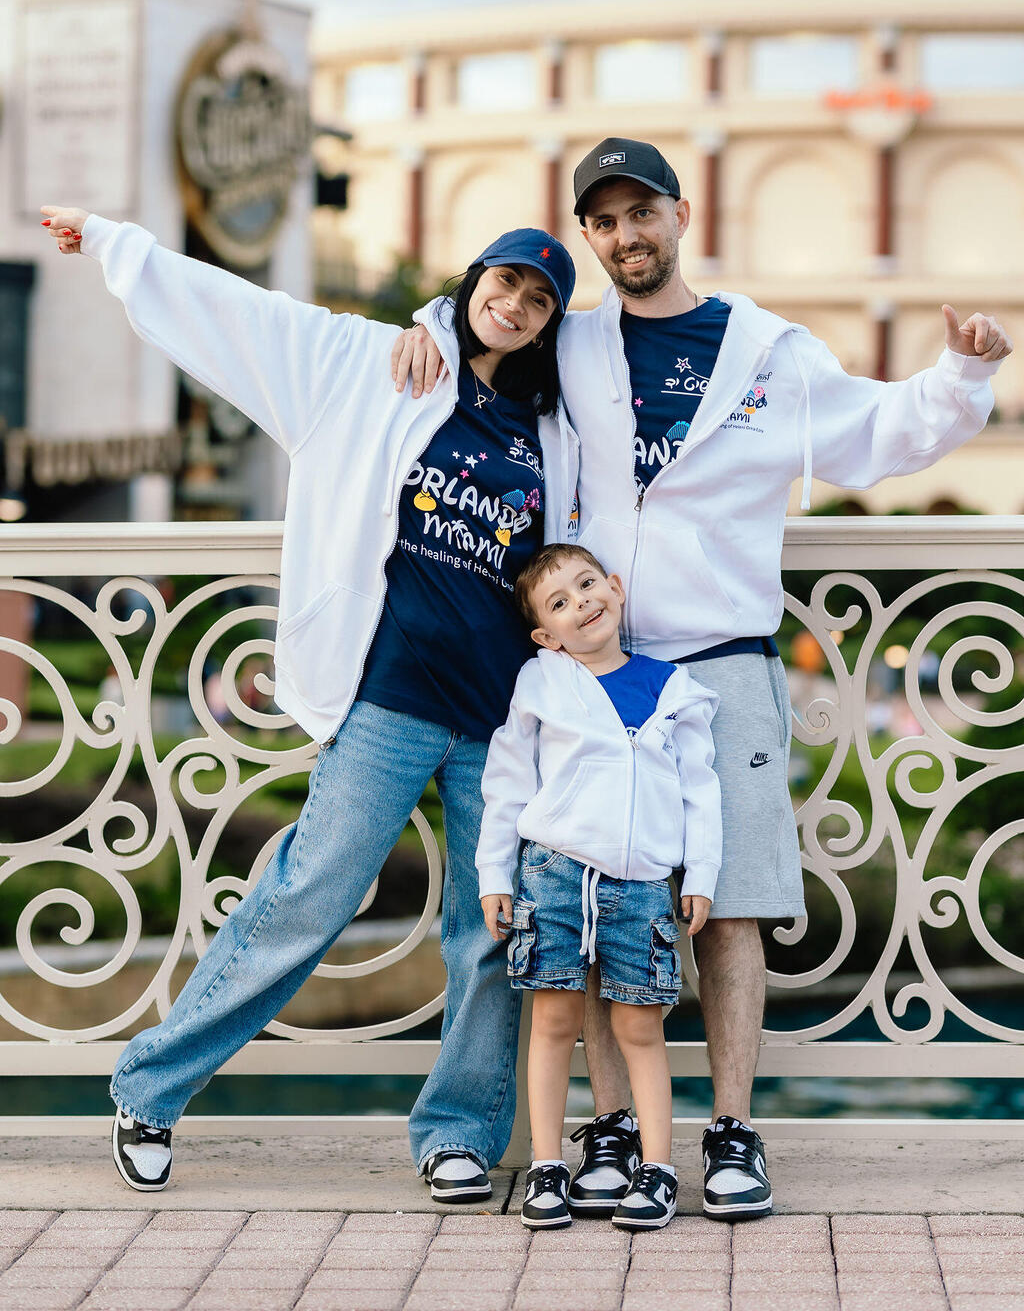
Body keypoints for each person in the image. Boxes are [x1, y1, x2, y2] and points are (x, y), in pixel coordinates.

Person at [389, 135, 1013, 1219]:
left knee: (733, 912)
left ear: (681, 216)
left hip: (722, 664)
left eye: (642, 213)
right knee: (584, 897)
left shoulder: (770, 352)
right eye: (604, 220)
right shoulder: (568, 345)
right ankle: (613, 1128)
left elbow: (879, 432)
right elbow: (477, 342)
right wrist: (418, 322)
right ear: (588, 236)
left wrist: (963, 373)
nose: (625, 234)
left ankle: (731, 1132)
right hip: (593, 664)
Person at [40, 204, 579, 1202]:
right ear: (472, 286)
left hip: (504, 714)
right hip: (392, 691)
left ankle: (459, 1132)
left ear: (552, 324)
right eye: (503, 284)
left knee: (489, 926)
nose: (514, 306)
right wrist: (120, 245)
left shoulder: (554, 427)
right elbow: (247, 315)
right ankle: (150, 1088)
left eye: (539, 300)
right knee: (308, 892)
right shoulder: (375, 364)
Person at [476, 543, 721, 1231]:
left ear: (615, 588)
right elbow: (507, 781)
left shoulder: (671, 687)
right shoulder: (543, 683)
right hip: (554, 877)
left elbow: (702, 791)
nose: (581, 601)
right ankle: (549, 1168)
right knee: (553, 1020)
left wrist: (699, 872)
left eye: (588, 585)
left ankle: (657, 1168)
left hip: (641, 887)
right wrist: (495, 873)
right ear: (544, 635)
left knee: (640, 1026)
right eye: (560, 602)